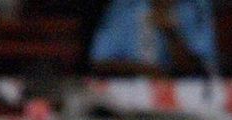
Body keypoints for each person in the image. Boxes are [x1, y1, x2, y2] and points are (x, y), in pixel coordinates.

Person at [90, 0, 219, 77]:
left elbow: (200, 71)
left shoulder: (195, 7)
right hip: (128, 101)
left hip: (184, 102)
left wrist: (169, 32)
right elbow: (99, 62)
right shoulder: (124, 6)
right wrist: (147, 70)